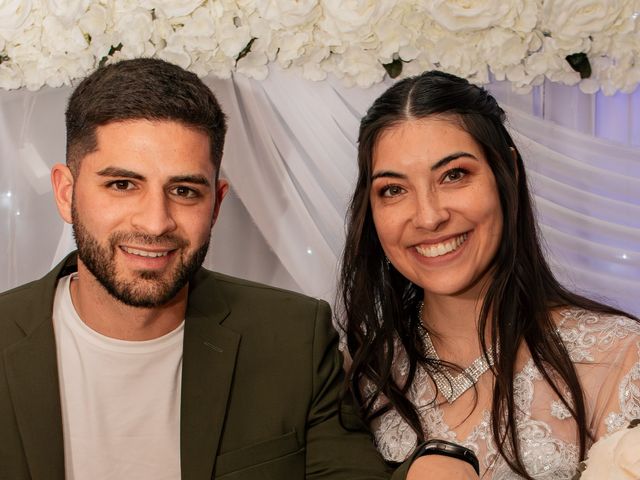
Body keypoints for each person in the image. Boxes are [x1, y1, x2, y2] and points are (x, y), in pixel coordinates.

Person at [0, 58, 477, 480]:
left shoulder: (293, 337)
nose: (155, 221)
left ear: (217, 202)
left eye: (185, 190)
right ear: (66, 192)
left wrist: (432, 465)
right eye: (123, 184)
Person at [339, 70, 640, 479]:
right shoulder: (355, 376)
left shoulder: (619, 360)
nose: (428, 216)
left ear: (508, 172)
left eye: (454, 175)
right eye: (393, 189)